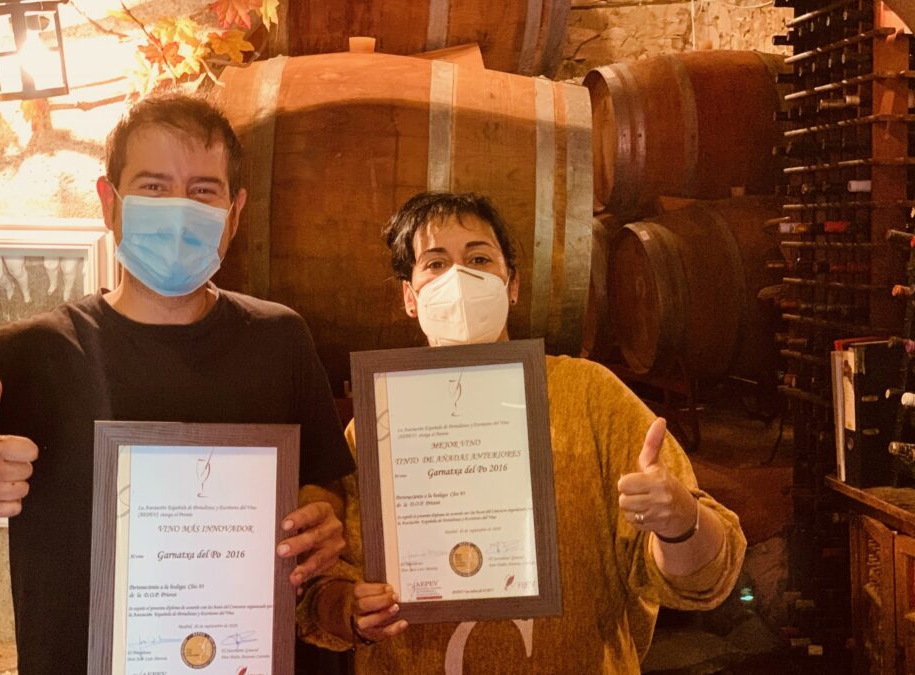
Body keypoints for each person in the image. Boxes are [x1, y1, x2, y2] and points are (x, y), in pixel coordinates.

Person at [0, 92, 354, 674]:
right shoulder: (29, 354)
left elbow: (322, 483)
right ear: (110, 204)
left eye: (203, 191)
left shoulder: (280, 339)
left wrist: (317, 514)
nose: (178, 210)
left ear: (234, 212)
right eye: (153, 187)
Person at [297, 191, 747, 673]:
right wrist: (350, 610)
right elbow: (323, 589)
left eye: (479, 259)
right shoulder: (377, 423)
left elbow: (704, 579)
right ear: (410, 297)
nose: (458, 278)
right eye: (436, 263)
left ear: (512, 284)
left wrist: (680, 522)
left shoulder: (589, 395)